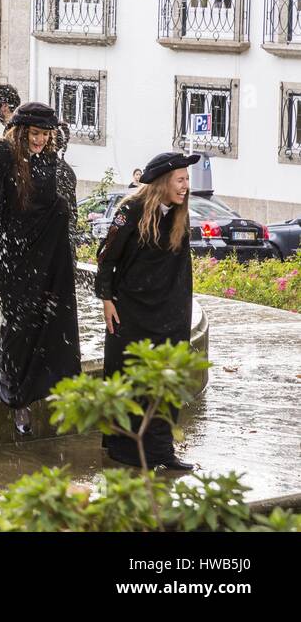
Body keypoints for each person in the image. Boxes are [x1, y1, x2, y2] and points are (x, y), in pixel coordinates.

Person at [0, 103, 81, 434]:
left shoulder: (52, 159)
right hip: (13, 255)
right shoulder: (4, 152)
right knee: (19, 321)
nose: (40, 140)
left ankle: (50, 387)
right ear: (22, 131)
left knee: (51, 319)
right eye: (35, 134)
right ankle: (15, 394)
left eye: (45, 134)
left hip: (49, 255)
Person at [95, 152, 199, 471]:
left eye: (186, 179)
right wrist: (107, 300)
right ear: (163, 182)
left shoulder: (180, 213)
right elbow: (107, 256)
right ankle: (124, 447)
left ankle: (161, 451)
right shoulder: (132, 209)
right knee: (128, 377)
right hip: (132, 311)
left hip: (169, 311)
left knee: (166, 378)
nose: (185, 186)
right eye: (180, 179)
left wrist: (182, 308)